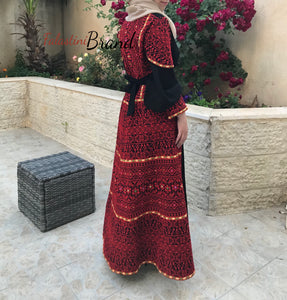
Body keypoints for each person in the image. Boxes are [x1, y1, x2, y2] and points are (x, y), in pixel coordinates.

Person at [103, 0, 195, 280]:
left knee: (133, 179)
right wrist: (180, 113)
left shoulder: (128, 21)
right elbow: (164, 77)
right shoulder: (154, 23)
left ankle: (128, 252)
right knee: (160, 182)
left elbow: (133, 68)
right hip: (153, 113)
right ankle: (158, 254)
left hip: (131, 106)